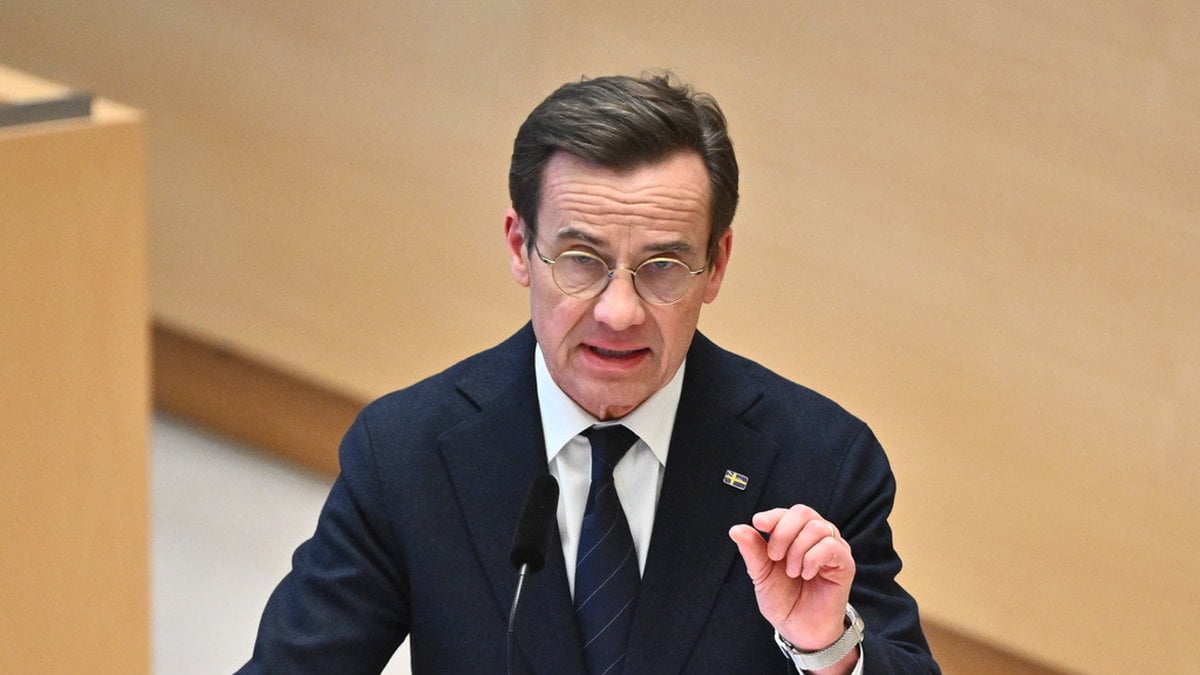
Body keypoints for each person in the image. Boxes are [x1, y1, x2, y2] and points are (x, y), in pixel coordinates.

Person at [240, 73, 939, 674]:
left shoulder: (819, 460)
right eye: (581, 260)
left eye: (662, 266)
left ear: (716, 265)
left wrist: (828, 651)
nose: (619, 312)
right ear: (521, 246)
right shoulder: (408, 452)